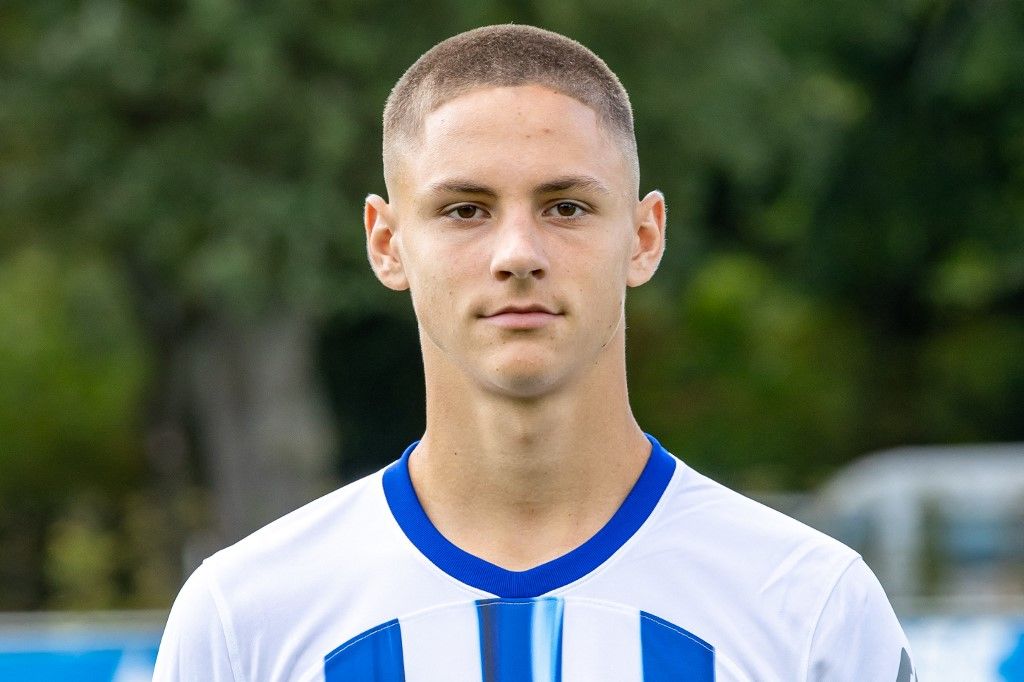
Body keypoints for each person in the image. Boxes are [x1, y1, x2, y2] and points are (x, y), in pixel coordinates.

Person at [154, 24, 916, 681]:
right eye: (464, 210)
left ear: (644, 238)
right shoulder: (246, 618)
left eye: (566, 207)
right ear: (387, 244)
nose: (518, 252)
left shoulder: (809, 606)